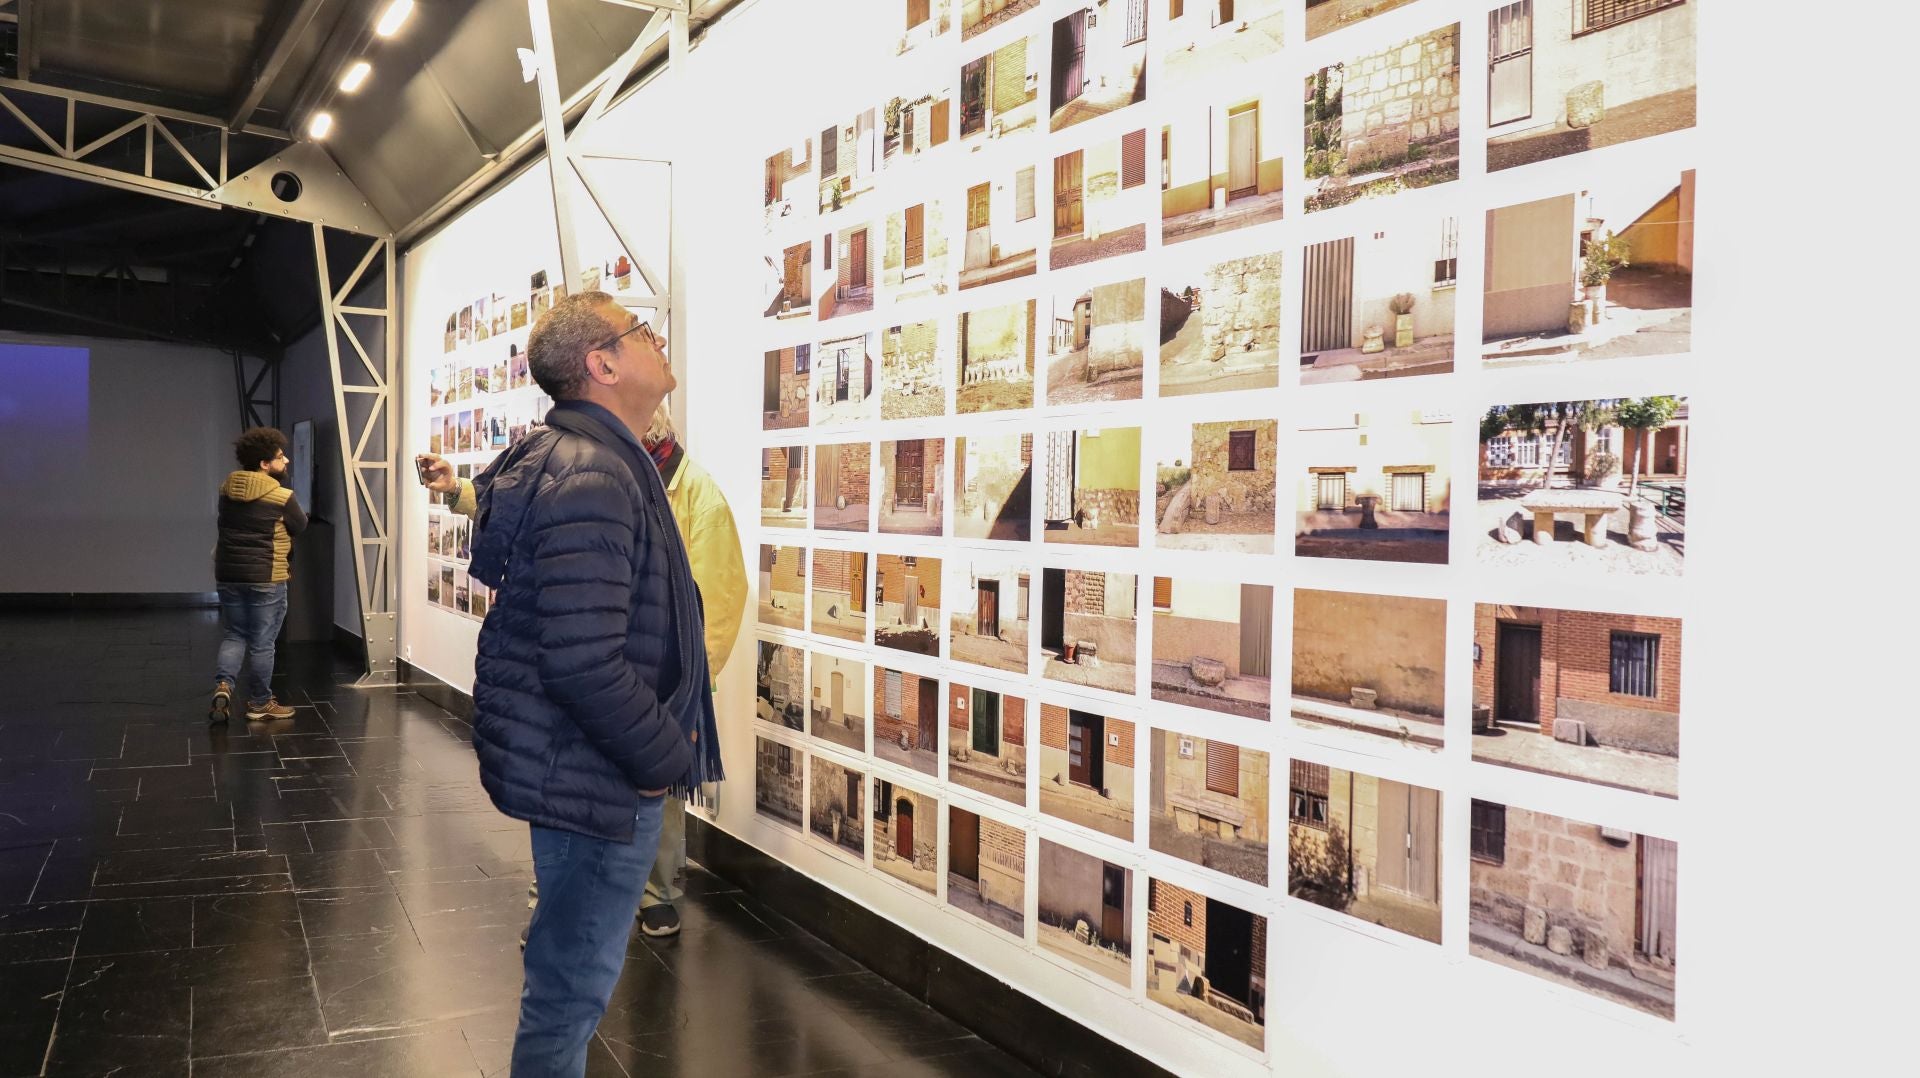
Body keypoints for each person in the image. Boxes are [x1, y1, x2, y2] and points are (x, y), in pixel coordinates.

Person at [442, 291, 720, 1077]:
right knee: (571, 990)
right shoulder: (597, 473)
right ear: (602, 364)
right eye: (641, 332)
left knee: (569, 979)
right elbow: (581, 659)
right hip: (598, 779)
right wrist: (664, 756)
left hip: (583, 768)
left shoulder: (579, 457)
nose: (658, 338)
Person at [418, 402, 748, 939]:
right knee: (565, 779)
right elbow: (513, 500)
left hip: (656, 670)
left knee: (655, 781)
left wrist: (693, 677)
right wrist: (458, 490)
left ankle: (656, 892)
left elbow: (719, 589)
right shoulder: (591, 472)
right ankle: (554, 897)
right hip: (593, 659)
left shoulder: (691, 490)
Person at [210, 426, 307, 723]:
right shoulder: (281, 496)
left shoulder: (226, 490)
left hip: (228, 573)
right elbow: (300, 526)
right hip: (266, 576)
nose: (287, 461)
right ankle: (260, 702)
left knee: (235, 634)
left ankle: (224, 686)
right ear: (265, 464)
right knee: (263, 642)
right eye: (280, 457)